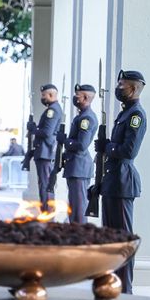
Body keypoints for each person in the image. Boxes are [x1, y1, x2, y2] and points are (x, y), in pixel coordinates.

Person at [95, 69, 146, 293]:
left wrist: (107, 147)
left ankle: (125, 287)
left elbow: (128, 151)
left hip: (123, 182)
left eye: (122, 85)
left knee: (124, 239)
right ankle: (111, 281)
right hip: (112, 181)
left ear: (134, 88)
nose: (118, 88)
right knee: (110, 237)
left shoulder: (136, 115)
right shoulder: (125, 113)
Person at [63, 84, 98, 223]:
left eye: (78, 95)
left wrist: (65, 141)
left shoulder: (86, 119)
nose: (75, 97)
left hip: (79, 167)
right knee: (73, 207)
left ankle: (80, 237)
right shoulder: (82, 116)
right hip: (75, 166)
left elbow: (82, 145)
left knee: (78, 210)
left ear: (85, 97)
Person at [27, 83, 62, 211]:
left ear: (51, 95)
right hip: (43, 152)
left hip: (45, 153)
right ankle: (46, 212)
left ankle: (47, 214)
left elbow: (47, 132)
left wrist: (34, 129)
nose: (42, 98)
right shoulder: (51, 109)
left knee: (45, 186)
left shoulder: (52, 110)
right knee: (44, 184)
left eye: (44, 95)